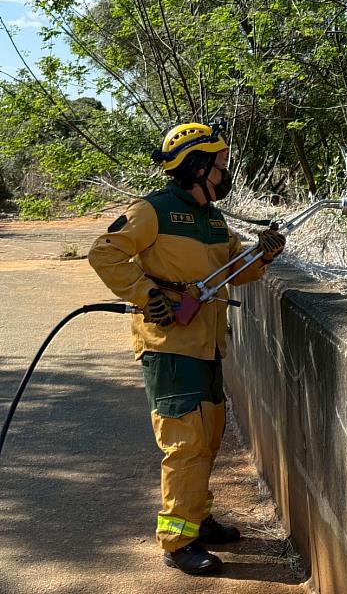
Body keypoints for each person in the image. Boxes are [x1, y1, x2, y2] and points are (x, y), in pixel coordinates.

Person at [87, 121, 286, 575]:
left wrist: (265, 254)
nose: (225, 173)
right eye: (220, 166)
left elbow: (236, 270)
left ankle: (196, 515)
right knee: (186, 444)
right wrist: (144, 294)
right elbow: (105, 252)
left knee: (209, 436)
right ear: (197, 168)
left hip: (208, 344)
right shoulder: (153, 211)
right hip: (171, 348)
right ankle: (178, 540)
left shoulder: (212, 219)